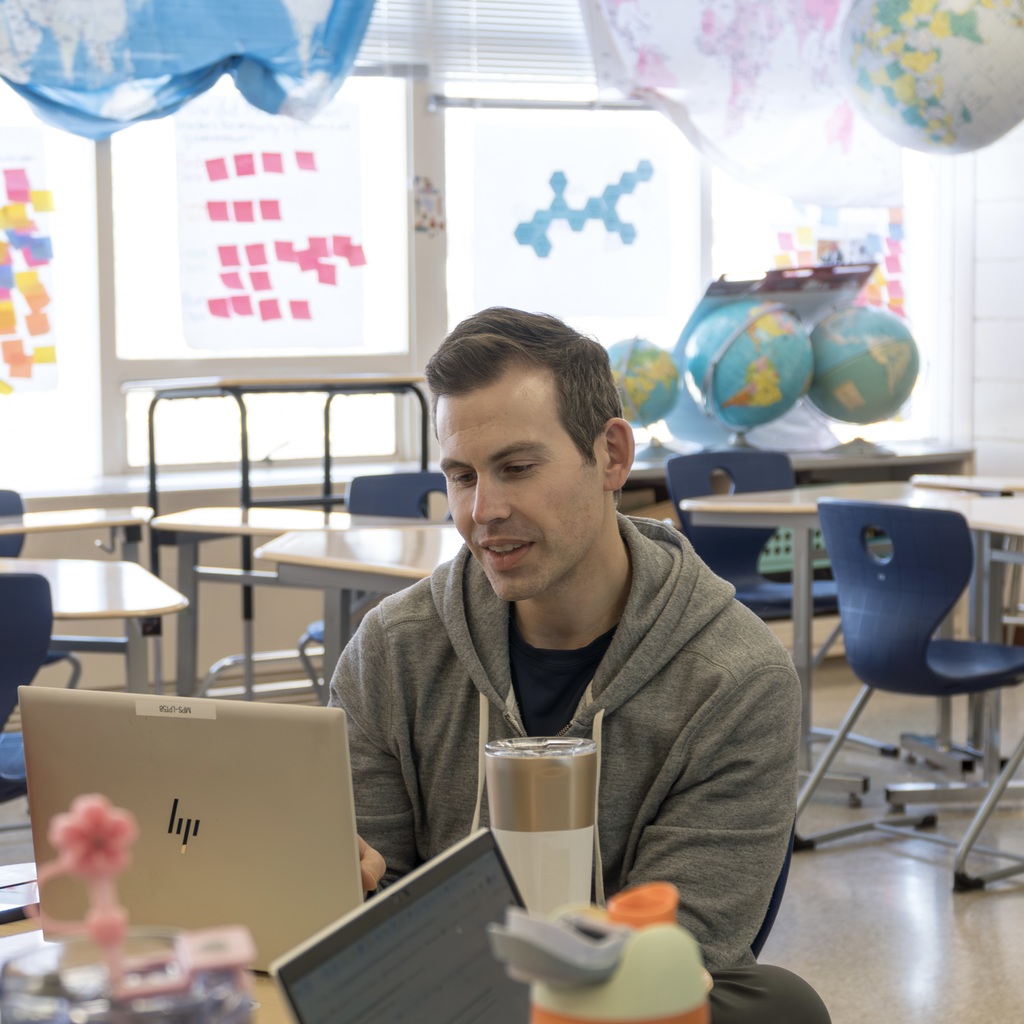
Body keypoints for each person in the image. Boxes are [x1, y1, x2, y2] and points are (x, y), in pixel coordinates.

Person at [330, 307, 830, 1024]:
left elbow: (678, 953)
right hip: (437, 997)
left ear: (612, 457)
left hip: (614, 1009)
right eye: (463, 476)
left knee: (779, 1007)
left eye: (517, 468)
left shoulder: (736, 679)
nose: (483, 510)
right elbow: (368, 912)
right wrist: (349, 889)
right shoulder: (393, 648)